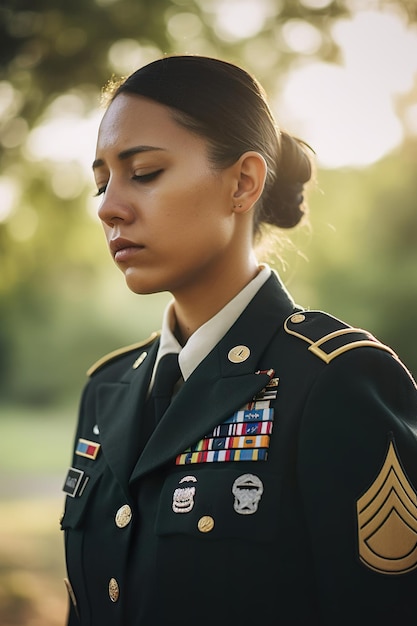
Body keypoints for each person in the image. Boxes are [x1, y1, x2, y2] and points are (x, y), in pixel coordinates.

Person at [61, 55, 417, 626]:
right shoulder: (106, 390)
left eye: (144, 172)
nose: (108, 207)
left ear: (244, 182)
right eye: (101, 182)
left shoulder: (337, 381)